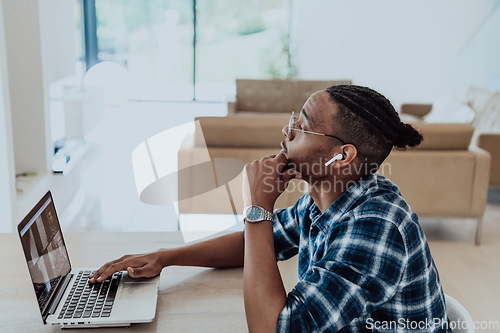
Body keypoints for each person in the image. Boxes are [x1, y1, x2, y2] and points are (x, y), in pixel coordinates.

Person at [89, 85, 450, 332]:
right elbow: (258, 243)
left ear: (342, 156)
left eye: (303, 125)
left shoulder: (377, 227)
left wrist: (257, 207)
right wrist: (165, 257)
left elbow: (275, 327)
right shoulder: (324, 199)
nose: (287, 131)